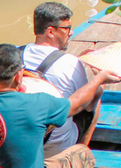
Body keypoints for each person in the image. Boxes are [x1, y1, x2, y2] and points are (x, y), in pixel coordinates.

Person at [21, 2, 106, 156]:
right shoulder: (71, 63)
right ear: (51, 32)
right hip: (53, 148)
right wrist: (98, 78)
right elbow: (85, 105)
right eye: (67, 28)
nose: (71, 32)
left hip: (19, 141)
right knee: (96, 92)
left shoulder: (13, 53)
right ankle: (79, 154)